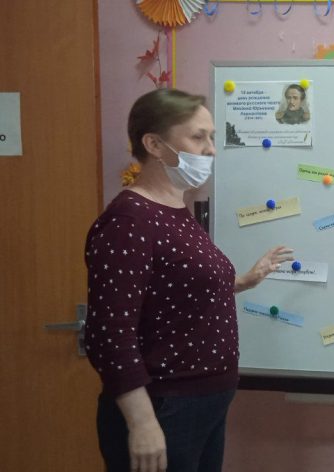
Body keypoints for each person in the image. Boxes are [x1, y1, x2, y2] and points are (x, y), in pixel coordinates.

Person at [84, 88, 293, 472]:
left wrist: (243, 281)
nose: (211, 149)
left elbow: (174, 289)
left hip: (203, 402)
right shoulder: (129, 220)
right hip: (165, 406)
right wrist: (142, 422)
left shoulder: (173, 209)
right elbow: (110, 333)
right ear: (154, 145)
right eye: (198, 137)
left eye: (211, 137)